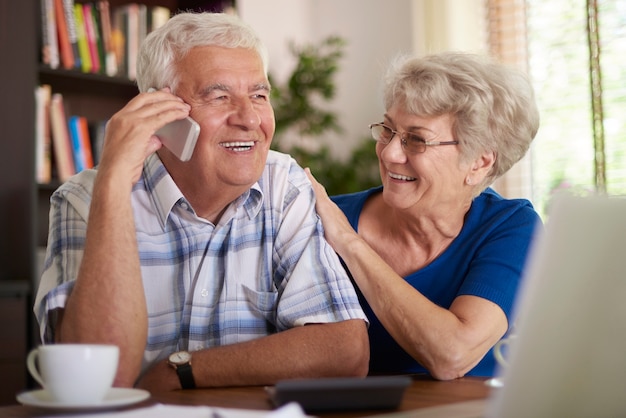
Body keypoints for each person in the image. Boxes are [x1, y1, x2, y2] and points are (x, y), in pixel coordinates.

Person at [33, 12, 369, 392]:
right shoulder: (85, 199)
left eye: (259, 95)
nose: (249, 118)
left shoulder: (284, 184)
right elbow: (99, 380)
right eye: (219, 96)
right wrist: (113, 186)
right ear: (160, 115)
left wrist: (181, 371)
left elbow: (345, 351)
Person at [306, 52, 541, 380]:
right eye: (387, 130)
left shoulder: (510, 228)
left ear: (479, 163)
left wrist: (349, 242)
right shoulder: (323, 217)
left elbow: (453, 355)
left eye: (416, 140)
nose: (389, 153)